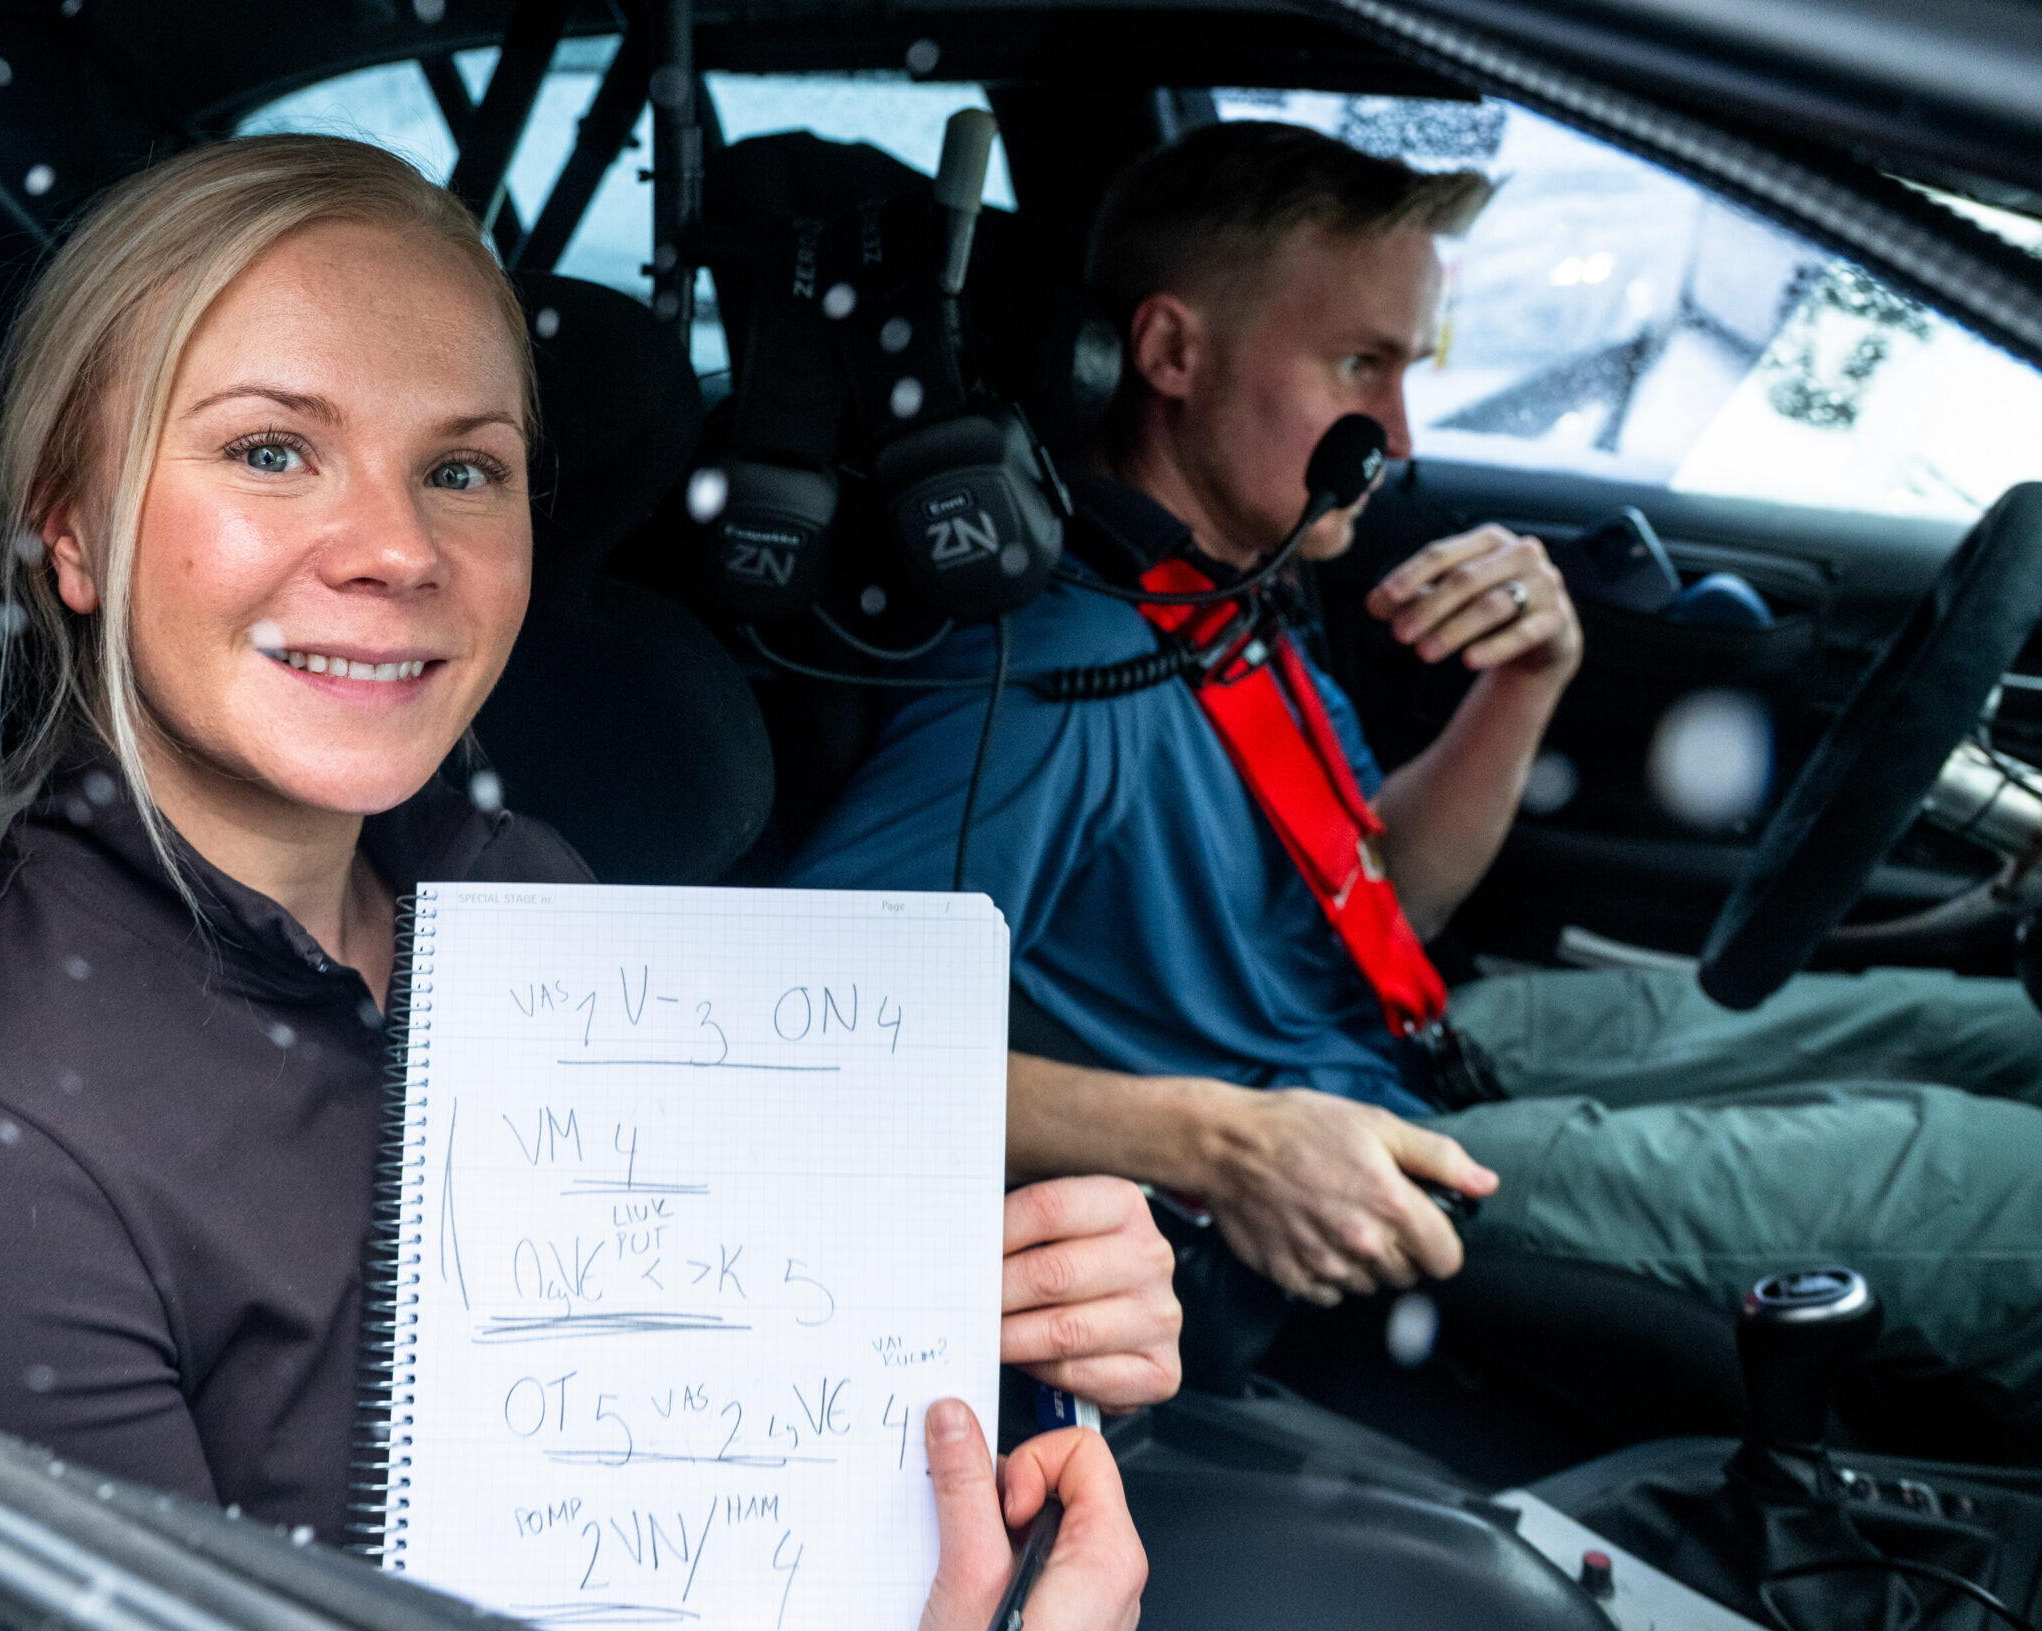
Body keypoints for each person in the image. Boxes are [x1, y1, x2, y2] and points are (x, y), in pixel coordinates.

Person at [0, 133, 1179, 1631]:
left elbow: (736, 1413)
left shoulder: (523, 896)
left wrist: (1000, 1346)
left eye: (461, 469)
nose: (396, 549)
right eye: (268, 451)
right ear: (72, 531)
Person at [787, 120, 2042, 1419]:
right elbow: (803, 1037)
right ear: (1168, 352)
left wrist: (1530, 678)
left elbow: (1392, 895)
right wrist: (1223, 1140)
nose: (1400, 429)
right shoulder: (1051, 678)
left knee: (1993, 1031)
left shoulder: (1222, 594)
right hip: (1326, 1164)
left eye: (1408, 367)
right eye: (1360, 365)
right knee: (2001, 1188)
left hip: (1411, 1040)